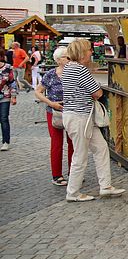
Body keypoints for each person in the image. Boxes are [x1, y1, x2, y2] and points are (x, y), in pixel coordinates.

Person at [61, 39, 125, 202]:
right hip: (80, 117)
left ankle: (105, 186)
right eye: (89, 50)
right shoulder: (80, 70)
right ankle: (73, 193)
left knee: (101, 148)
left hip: (76, 115)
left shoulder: (68, 68)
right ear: (82, 52)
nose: (91, 52)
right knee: (80, 156)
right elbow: (97, 93)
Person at [35, 46, 75, 186]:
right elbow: (38, 92)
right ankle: (56, 175)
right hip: (54, 112)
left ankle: (73, 172)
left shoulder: (74, 72)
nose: (69, 59)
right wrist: (51, 103)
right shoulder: (51, 74)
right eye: (66, 57)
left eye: (69, 56)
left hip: (71, 111)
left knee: (73, 143)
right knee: (56, 144)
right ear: (58, 60)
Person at [0, 48, 18, 151]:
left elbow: (12, 83)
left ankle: (6, 142)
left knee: (3, 118)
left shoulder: (7, 68)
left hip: (5, 96)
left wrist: (14, 96)